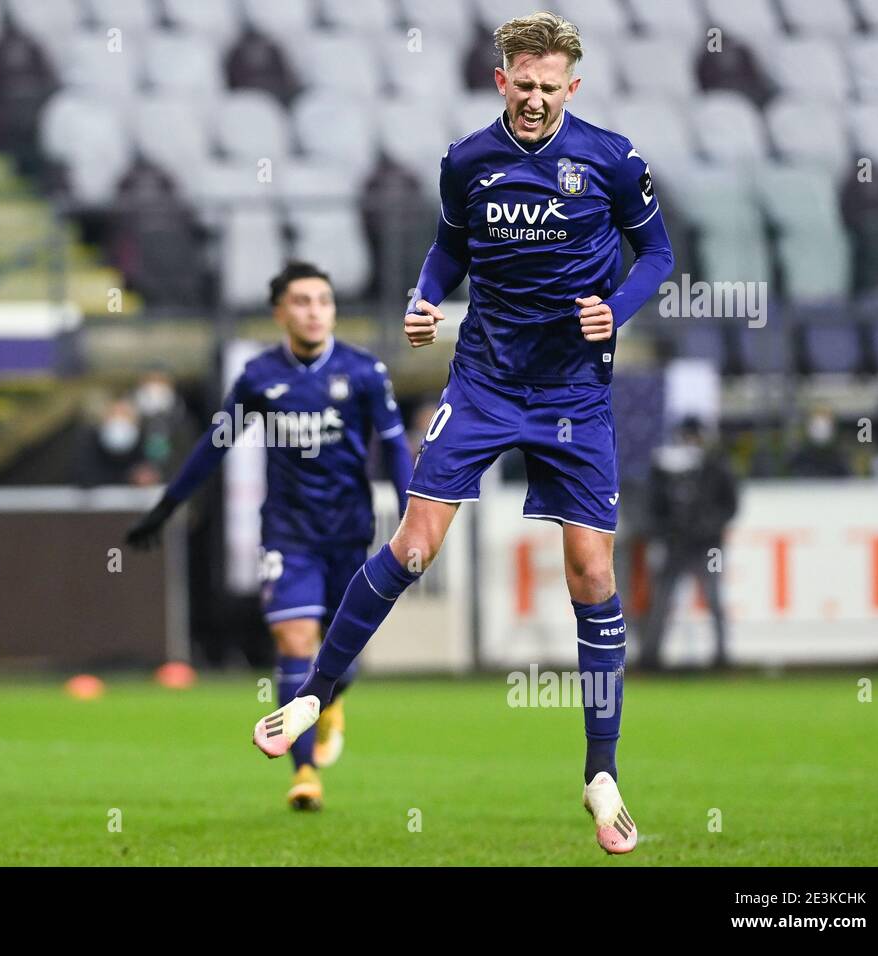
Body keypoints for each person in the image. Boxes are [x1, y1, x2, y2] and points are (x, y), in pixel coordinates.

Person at [250, 12, 675, 854]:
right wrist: (422, 297)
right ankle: (315, 695)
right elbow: (450, 251)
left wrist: (614, 310)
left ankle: (601, 772)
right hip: (483, 381)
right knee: (413, 545)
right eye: (525, 84)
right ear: (501, 79)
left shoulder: (613, 159)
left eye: (552, 87)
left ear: (572, 88)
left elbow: (657, 255)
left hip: (574, 393)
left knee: (592, 570)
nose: (537, 100)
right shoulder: (467, 161)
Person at [126, 261, 414, 810]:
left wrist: (410, 516)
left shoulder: (364, 373)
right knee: (293, 643)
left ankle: (328, 702)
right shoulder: (259, 378)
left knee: (341, 659)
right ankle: (304, 773)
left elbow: (396, 446)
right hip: (287, 532)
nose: (314, 311)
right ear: (280, 311)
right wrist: (165, 508)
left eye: (324, 301)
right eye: (302, 301)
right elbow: (215, 446)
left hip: (348, 532)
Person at [638, 417, 739, 670]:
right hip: (675, 545)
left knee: (714, 598)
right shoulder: (663, 468)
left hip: (708, 546)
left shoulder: (716, 466)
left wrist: (709, 525)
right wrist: (665, 531)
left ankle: (722, 656)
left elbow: (731, 505)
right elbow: (652, 508)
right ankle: (650, 657)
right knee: (662, 601)